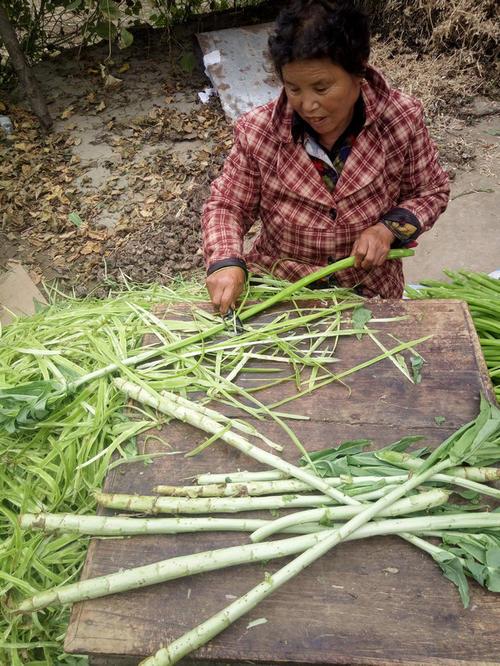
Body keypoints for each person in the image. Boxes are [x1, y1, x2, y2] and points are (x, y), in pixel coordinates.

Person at [202, 0, 450, 313]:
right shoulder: (260, 132)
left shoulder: (399, 120)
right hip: (282, 291)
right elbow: (227, 205)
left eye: (322, 87)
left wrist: (386, 230)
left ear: (358, 69)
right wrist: (225, 261)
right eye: (294, 88)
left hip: (369, 293)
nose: (307, 105)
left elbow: (431, 192)